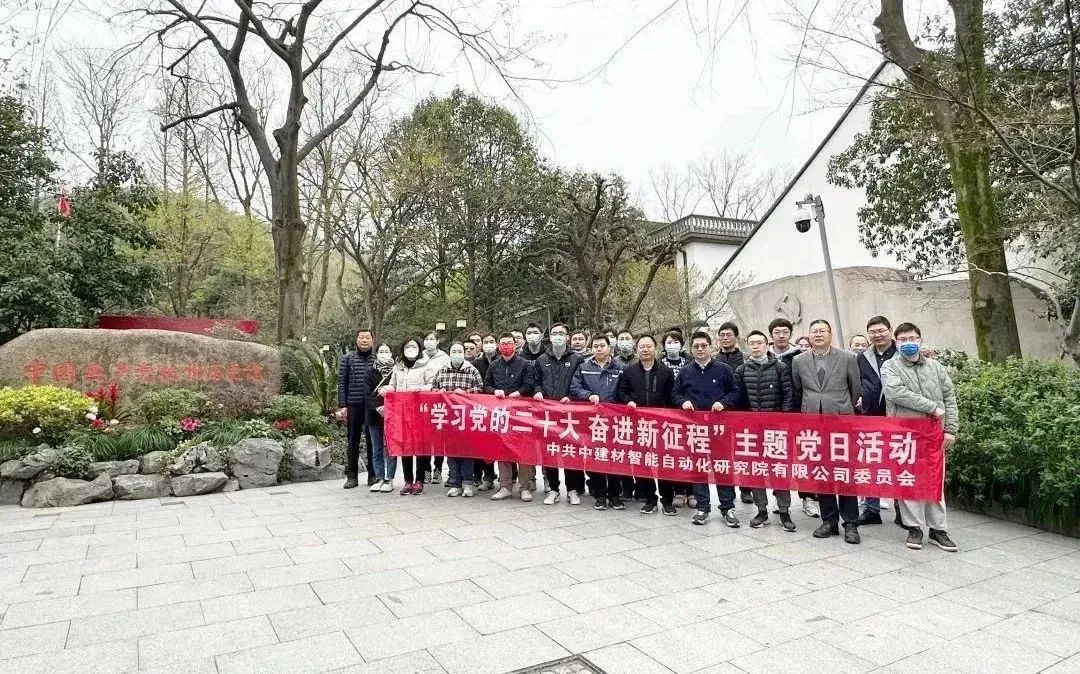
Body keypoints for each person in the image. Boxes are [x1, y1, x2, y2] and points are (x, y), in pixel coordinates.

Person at [882, 322, 959, 552]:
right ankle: (914, 528)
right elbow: (895, 392)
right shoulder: (890, 366)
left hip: (934, 433)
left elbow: (949, 398)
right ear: (896, 342)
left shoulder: (936, 367)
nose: (908, 343)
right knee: (908, 479)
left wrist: (951, 429)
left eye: (912, 338)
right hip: (904, 432)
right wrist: (932, 407)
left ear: (920, 340)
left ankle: (938, 530)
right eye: (903, 339)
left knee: (934, 479)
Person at [792, 319, 862, 544]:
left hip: (841, 422)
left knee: (844, 471)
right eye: (814, 331)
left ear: (830, 335)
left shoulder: (848, 358)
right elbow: (798, 390)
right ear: (809, 335)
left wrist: (840, 407)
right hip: (812, 423)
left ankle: (850, 523)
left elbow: (855, 389)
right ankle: (829, 521)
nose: (818, 334)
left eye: (822, 331)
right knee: (821, 472)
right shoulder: (799, 360)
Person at [673, 330, 741, 527]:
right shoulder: (685, 371)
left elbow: (735, 392)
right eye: (696, 346)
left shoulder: (723, 369)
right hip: (695, 429)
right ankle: (702, 508)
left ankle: (728, 508)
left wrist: (724, 403)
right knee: (699, 468)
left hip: (719, 428)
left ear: (711, 347)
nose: (700, 349)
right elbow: (675, 393)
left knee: (722, 467)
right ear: (691, 349)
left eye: (704, 345)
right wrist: (683, 401)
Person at [733, 330, 797, 531]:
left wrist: (783, 421)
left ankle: (784, 510)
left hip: (776, 429)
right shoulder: (742, 370)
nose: (755, 346)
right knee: (756, 470)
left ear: (766, 345)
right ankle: (762, 510)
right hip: (752, 431)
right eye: (751, 343)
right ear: (747, 346)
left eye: (759, 343)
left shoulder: (780, 367)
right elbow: (739, 399)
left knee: (779, 470)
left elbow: (788, 395)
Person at [617, 334, 677, 515]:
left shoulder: (666, 372)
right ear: (637, 350)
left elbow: (672, 395)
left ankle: (667, 500)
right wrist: (628, 401)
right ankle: (650, 498)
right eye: (642, 346)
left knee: (663, 462)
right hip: (639, 424)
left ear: (656, 348)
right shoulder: (629, 371)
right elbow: (621, 392)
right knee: (642, 462)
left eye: (649, 346)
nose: (645, 349)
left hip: (662, 425)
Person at [570, 334, 626, 511]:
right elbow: (574, 388)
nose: (599, 349)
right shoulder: (584, 367)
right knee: (597, 457)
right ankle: (600, 495)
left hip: (615, 420)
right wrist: (588, 395)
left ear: (610, 347)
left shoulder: (620, 368)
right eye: (596, 346)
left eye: (602, 345)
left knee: (614, 457)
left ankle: (615, 495)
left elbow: (625, 391)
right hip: (593, 421)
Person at [534, 323, 586, 506]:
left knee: (570, 452)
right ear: (550, 337)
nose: (558, 336)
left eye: (561, 333)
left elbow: (581, 383)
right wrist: (538, 391)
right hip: (548, 413)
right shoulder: (541, 359)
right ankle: (554, 489)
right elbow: (536, 381)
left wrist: (571, 397)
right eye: (554, 333)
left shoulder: (577, 359)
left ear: (567, 337)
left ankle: (572, 489)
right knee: (550, 451)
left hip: (569, 413)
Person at [769, 317, 817, 517]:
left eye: (785, 332)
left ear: (790, 334)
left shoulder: (802, 356)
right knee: (778, 458)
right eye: (777, 332)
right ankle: (780, 499)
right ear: (771, 335)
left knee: (805, 457)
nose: (781, 335)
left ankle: (808, 498)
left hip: (798, 413)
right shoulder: (765, 356)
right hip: (773, 415)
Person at [856, 316, 899, 526]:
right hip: (870, 417)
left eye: (881, 330)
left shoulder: (902, 353)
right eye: (873, 332)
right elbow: (857, 381)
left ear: (890, 330)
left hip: (898, 416)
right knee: (870, 463)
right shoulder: (862, 357)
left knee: (899, 462)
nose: (877, 335)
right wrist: (858, 399)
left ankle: (902, 510)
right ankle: (871, 509)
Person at [483, 332, 536, 501]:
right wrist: (494, 391)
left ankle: (525, 487)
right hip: (501, 413)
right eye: (503, 343)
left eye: (509, 343)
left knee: (523, 450)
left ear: (515, 345)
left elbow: (530, 384)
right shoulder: (494, 365)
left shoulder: (524, 364)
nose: (506, 346)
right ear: (499, 346)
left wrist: (518, 393)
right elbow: (486, 384)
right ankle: (505, 486)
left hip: (521, 413)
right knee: (503, 449)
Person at [381, 338, 436, 495]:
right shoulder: (398, 366)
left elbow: (432, 384)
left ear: (419, 348)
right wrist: (386, 389)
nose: (410, 349)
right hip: (402, 411)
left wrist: (422, 389)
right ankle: (407, 480)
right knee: (405, 446)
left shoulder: (426, 364)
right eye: (407, 346)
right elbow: (393, 385)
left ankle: (419, 480)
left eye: (414, 346)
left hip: (420, 411)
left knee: (420, 446)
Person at [432, 342, 485, 498]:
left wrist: (466, 392)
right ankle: (454, 482)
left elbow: (481, 389)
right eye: (453, 351)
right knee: (452, 452)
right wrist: (439, 391)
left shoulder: (472, 370)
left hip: (467, 418)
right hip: (448, 419)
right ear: (449, 353)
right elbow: (433, 388)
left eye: (459, 351)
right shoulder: (442, 370)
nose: (457, 353)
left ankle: (467, 482)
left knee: (467, 452)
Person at [337, 328, 375, 489]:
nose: (364, 340)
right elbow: (342, 382)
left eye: (367, 337)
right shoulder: (348, 358)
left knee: (372, 440)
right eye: (361, 337)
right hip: (354, 404)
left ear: (372, 340)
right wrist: (343, 405)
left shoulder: (377, 359)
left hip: (372, 406)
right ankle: (352, 476)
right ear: (356, 340)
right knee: (352, 440)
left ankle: (373, 475)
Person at [659, 329, 692, 507]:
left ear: (682, 344)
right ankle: (678, 490)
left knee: (690, 452)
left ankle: (691, 491)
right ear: (664, 346)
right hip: (666, 414)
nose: (673, 345)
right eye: (669, 342)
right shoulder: (659, 364)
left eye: (676, 342)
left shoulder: (690, 363)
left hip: (688, 412)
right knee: (672, 453)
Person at [365, 343, 397, 493]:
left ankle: (389, 479)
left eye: (387, 351)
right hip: (374, 415)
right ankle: (379, 478)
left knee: (391, 448)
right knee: (376, 448)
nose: (384, 353)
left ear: (391, 353)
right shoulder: (370, 372)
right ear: (376, 354)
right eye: (381, 351)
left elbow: (398, 390)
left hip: (392, 415)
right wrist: (378, 407)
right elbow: (367, 393)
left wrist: (388, 407)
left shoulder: (396, 371)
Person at [421, 332, 451, 484]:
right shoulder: (419, 356)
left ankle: (438, 469)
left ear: (438, 341)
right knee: (425, 437)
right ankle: (425, 469)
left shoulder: (445, 357)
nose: (429, 341)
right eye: (426, 339)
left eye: (432, 339)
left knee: (439, 437)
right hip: (422, 402)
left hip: (439, 402)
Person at [472, 333, 500, 490]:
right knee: (485, 445)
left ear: (496, 344)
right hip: (482, 409)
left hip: (501, 408)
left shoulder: (501, 360)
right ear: (481, 345)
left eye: (491, 341)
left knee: (505, 443)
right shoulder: (476, 363)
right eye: (486, 342)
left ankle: (510, 477)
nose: (489, 344)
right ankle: (488, 476)